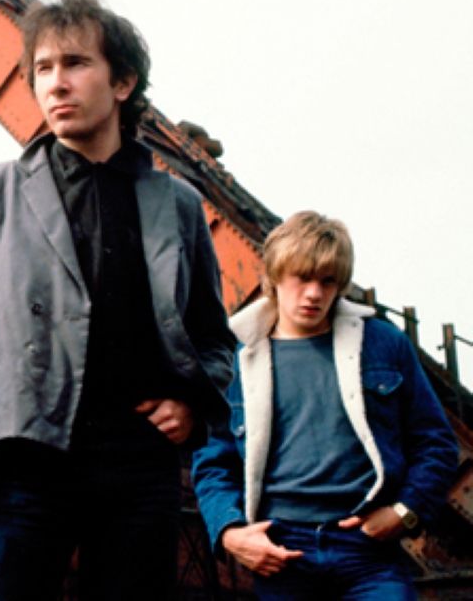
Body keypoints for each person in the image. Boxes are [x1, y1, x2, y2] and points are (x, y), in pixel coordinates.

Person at [0, 0, 235, 599]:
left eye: (75, 64)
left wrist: (192, 404)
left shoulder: (178, 205)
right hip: (25, 464)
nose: (56, 84)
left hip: (139, 467)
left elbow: (215, 341)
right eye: (43, 69)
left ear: (122, 83)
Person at [192, 211, 458, 598]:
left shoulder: (383, 344)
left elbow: (436, 442)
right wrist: (230, 532)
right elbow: (212, 458)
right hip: (282, 551)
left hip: (369, 550)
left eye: (327, 281)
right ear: (274, 277)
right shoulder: (236, 359)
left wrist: (404, 511)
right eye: (302, 277)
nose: (314, 293)